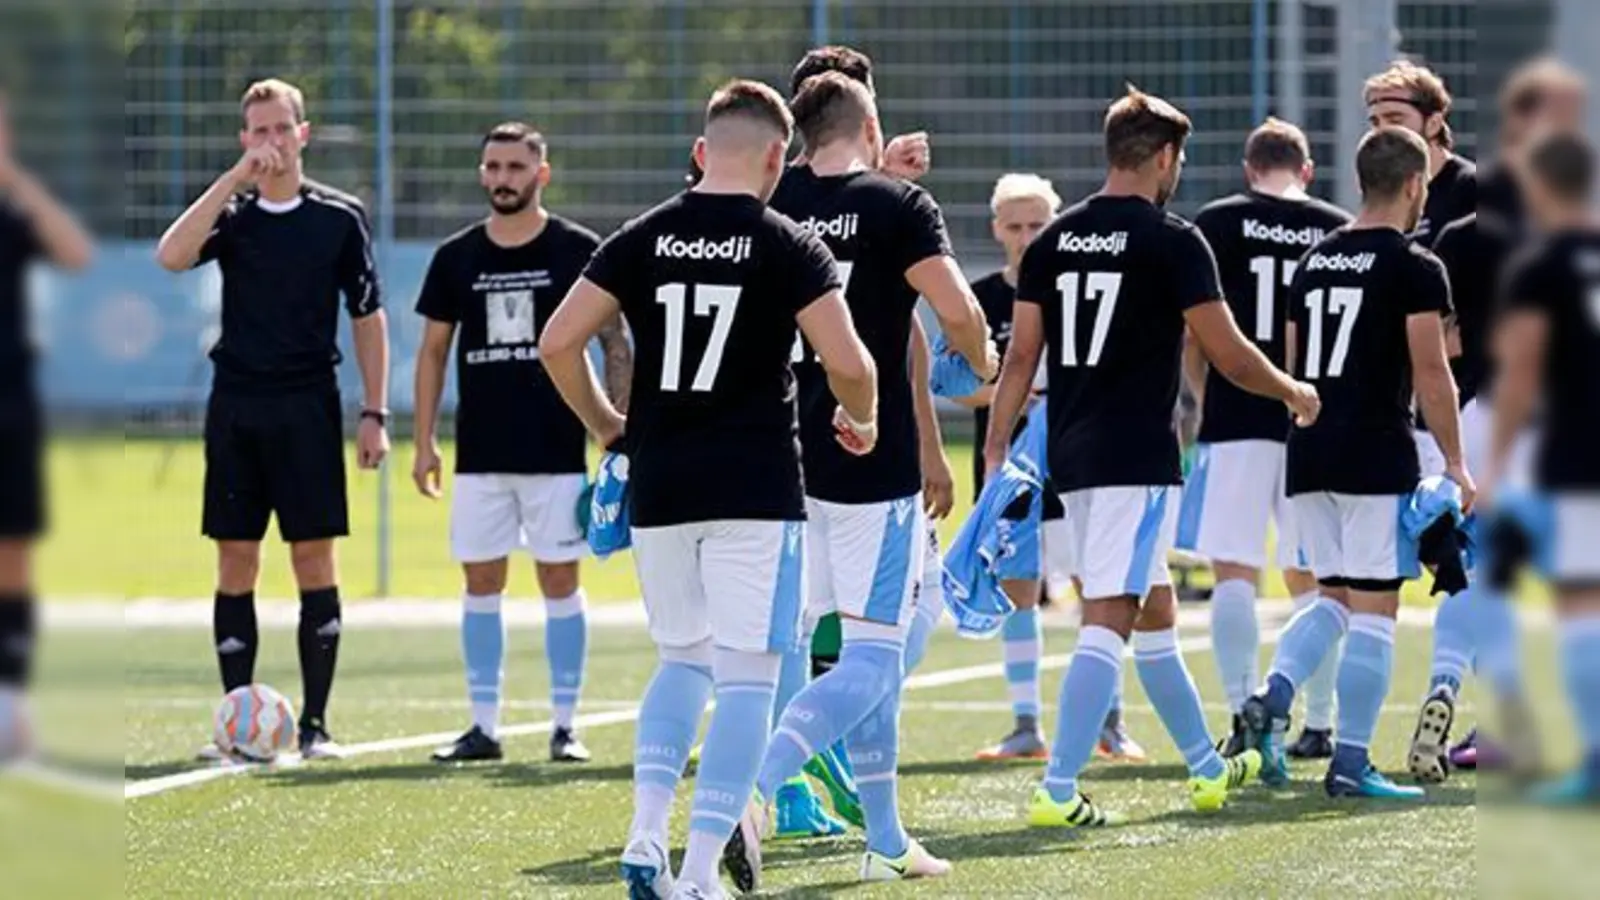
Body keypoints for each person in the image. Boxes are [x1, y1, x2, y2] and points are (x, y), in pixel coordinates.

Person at [537, 79, 878, 900]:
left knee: (682, 662)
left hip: (663, 483)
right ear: (776, 158)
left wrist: (608, 425)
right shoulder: (788, 243)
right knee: (749, 681)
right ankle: (696, 872)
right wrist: (863, 419)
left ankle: (646, 833)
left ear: (701, 151)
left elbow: (556, 343)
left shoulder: (641, 235)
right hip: (755, 488)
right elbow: (850, 363)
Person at [987, 86, 1319, 828]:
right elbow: (1230, 355)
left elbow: (1021, 360)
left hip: (1072, 452)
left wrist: (995, 449)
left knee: (1156, 608)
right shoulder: (1173, 239)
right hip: (1134, 456)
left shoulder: (1053, 239)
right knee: (1109, 615)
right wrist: (1294, 390)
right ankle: (1058, 787)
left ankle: (1206, 765)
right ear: (1165, 157)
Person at [725, 70, 994, 888]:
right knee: (877, 657)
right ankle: (754, 789)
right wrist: (982, 359)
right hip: (869, 460)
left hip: (780, 456)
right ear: (870, 127)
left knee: (819, 645)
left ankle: (884, 837)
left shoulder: (769, 204)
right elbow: (955, 310)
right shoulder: (898, 205)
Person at [156, 78, 389, 761]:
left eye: (282, 128)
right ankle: (237, 728)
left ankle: (315, 727)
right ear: (244, 139)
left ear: (303, 133)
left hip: (308, 407)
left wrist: (374, 412)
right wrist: (233, 179)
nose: (271, 141)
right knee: (236, 557)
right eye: (259, 130)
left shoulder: (339, 218)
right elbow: (171, 255)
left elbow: (367, 317)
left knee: (313, 557)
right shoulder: (232, 216)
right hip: (237, 406)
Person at [1239, 125, 1467, 800]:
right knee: (1373, 609)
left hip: (1310, 449)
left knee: (1332, 598)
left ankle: (1273, 694)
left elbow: (1294, 364)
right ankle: (1351, 763)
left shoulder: (1314, 260)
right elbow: (1432, 372)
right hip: (1374, 451)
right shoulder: (1415, 265)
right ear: (1416, 185)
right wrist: (1456, 462)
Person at [413, 123, 632, 765]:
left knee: (560, 580)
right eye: (492, 167)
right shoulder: (455, 256)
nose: (502, 178)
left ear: (542, 172)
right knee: (481, 581)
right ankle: (483, 727)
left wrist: (617, 428)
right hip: (479, 454)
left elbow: (614, 340)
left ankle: (565, 726)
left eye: (515, 166)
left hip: (556, 451)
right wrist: (423, 441)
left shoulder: (577, 249)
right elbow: (432, 353)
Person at [964, 174, 1150, 764]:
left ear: (1057, 224)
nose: (1026, 237)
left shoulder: (1077, 285)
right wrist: (1009, 395)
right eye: (1015, 226)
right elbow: (955, 382)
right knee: (1018, 587)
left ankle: (1110, 722)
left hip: (1076, 452)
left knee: (1098, 582)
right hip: (1010, 459)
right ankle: (1026, 725)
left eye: (1037, 225)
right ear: (996, 229)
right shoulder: (977, 299)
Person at [1181, 118, 1352, 759]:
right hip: (1314, 419)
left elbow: (1194, 332)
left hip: (1237, 415)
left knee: (1234, 570)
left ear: (1250, 169)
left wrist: (1203, 397)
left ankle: (1240, 712)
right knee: (1315, 577)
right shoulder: (1336, 226)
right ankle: (1320, 721)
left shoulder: (1218, 222)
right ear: (1306, 170)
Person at [1490, 129, 1600, 804]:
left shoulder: (1541, 266)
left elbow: (1522, 373)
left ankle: (1595, 763)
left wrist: (1497, 465)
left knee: (1581, 604)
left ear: (1538, 186)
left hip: (1581, 454)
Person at [0, 91, 93, 759]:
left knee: (12, 553)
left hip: (8, 404)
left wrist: (15, 177)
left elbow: (75, 253)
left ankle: (9, 704)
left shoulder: (14, 214)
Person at [1364, 60, 1475, 250]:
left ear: (1433, 124)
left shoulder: (1470, 189)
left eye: (1395, 120)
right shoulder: (1383, 194)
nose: (1382, 131)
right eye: (1375, 123)